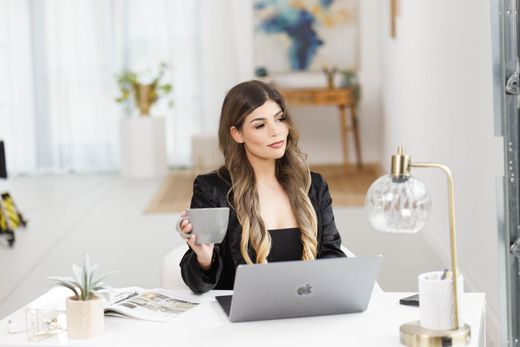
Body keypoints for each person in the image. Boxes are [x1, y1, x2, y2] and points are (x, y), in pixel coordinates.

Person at [177, 80, 345, 294]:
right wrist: (204, 257)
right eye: (259, 125)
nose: (275, 131)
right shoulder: (212, 189)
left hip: (306, 316)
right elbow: (197, 284)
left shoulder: (314, 186)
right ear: (237, 134)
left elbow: (333, 257)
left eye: (279, 119)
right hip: (243, 323)